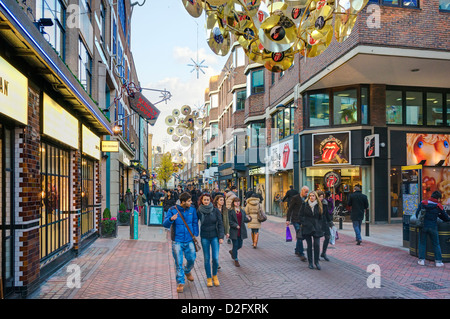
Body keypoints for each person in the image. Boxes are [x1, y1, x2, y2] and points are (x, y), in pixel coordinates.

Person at [162, 192, 199, 293]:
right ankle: (180, 282)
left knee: (192, 258)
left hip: (189, 239)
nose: (191, 202)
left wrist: (195, 233)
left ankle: (187, 270)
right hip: (177, 240)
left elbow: (195, 221)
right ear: (183, 202)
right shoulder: (172, 210)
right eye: (189, 201)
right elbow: (165, 224)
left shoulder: (192, 209)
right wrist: (170, 219)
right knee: (178, 262)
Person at [415, 191, 450, 267]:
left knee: (422, 243)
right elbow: (446, 217)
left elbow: (417, 213)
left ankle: (421, 260)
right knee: (436, 244)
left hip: (423, 226)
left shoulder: (423, 203)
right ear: (438, 198)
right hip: (433, 227)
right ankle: (438, 262)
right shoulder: (438, 206)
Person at [197, 193, 225, 287]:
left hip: (215, 237)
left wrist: (221, 237)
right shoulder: (199, 211)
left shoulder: (215, 210)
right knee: (207, 259)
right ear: (201, 201)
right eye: (204, 200)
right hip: (204, 237)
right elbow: (194, 222)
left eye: (207, 200)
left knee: (215, 258)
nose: (206, 201)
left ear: (210, 201)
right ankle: (209, 278)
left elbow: (220, 224)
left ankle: (215, 276)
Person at [299, 191, 324, 270]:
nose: (311, 197)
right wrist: (304, 222)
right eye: (310, 196)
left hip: (316, 227)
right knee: (309, 246)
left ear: (316, 197)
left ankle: (316, 262)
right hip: (307, 227)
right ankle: (310, 263)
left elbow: (321, 217)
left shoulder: (319, 205)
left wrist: (320, 225)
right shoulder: (305, 204)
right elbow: (300, 215)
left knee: (316, 245)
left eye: (313, 196)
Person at [228, 197, 252, 267]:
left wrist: (249, 219)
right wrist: (235, 225)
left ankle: (232, 251)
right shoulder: (231, 211)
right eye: (236, 202)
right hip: (234, 230)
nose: (237, 203)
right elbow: (230, 221)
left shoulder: (242, 210)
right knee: (235, 245)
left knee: (240, 245)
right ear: (233, 203)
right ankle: (236, 259)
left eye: (238, 201)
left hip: (241, 230)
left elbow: (244, 219)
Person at [286, 193, 307, 261]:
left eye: (307, 192)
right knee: (299, 234)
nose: (307, 193)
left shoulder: (306, 199)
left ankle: (297, 250)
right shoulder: (295, 198)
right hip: (295, 219)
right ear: (302, 191)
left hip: (303, 220)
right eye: (306, 192)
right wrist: (288, 219)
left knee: (299, 236)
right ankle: (301, 253)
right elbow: (290, 208)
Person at [317, 190, 333, 261]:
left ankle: (323, 253)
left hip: (324, 222)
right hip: (317, 222)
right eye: (320, 197)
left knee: (327, 236)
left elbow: (327, 214)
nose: (321, 198)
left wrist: (330, 223)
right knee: (316, 239)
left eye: (322, 197)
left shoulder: (325, 203)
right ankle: (316, 254)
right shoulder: (314, 204)